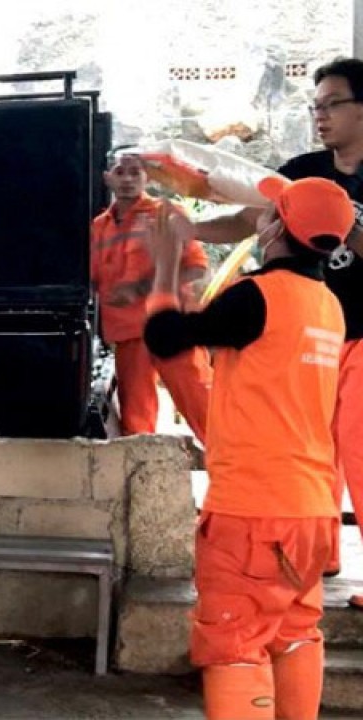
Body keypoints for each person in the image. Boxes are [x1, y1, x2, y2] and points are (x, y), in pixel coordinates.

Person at [144, 177, 352, 719]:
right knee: (295, 631)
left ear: (277, 226)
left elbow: (165, 338)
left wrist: (166, 264)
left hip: (252, 512)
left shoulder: (257, 297)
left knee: (234, 641)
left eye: (267, 212)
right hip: (311, 512)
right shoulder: (329, 305)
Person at [192, 58, 363, 587]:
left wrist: (346, 227)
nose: (321, 115)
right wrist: (185, 229)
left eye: (333, 103)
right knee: (310, 446)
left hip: (360, 334)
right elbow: (249, 220)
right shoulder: (302, 169)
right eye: (315, 106)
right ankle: (320, 553)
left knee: (358, 447)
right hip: (306, 335)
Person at [92, 149, 213, 441]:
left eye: (135, 172)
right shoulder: (97, 228)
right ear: (107, 178)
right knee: (136, 426)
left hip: (174, 330)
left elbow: (197, 270)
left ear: (148, 176)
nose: (128, 180)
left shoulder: (166, 215)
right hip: (130, 339)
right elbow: (92, 281)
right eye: (120, 172)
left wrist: (142, 288)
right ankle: (142, 482)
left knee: (206, 410)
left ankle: (238, 469)